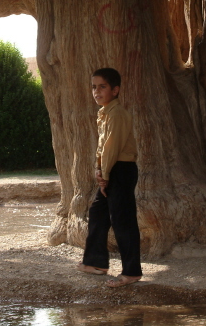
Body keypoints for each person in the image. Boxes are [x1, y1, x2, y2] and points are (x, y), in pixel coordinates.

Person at [76, 68, 142, 288]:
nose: (96, 91)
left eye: (102, 87)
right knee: (97, 212)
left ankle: (131, 272)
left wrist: (103, 176)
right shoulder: (103, 112)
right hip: (109, 169)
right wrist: (98, 169)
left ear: (115, 90)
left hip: (120, 170)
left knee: (123, 221)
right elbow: (102, 147)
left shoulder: (117, 114)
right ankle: (96, 263)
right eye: (94, 87)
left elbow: (112, 147)